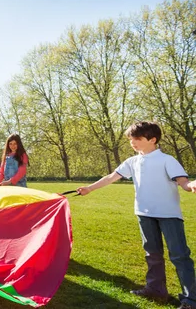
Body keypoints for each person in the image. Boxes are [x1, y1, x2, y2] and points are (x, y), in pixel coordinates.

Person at [77, 121, 196, 309]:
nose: (132, 142)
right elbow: (111, 177)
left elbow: (182, 181)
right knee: (152, 254)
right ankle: (156, 290)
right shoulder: (132, 162)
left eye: (137, 138)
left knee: (180, 256)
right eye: (131, 138)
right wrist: (89, 189)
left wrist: (190, 186)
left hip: (169, 215)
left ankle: (190, 300)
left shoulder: (167, 160)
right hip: (144, 214)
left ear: (153, 139)